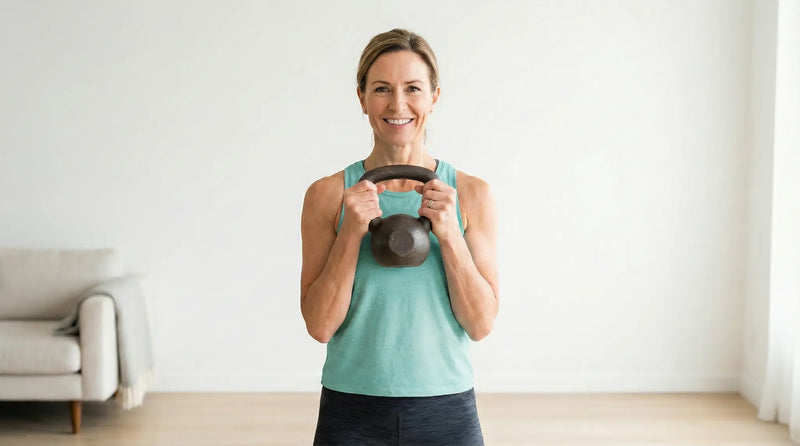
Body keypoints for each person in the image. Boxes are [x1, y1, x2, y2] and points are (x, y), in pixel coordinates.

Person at [300, 28, 499, 446]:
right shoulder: (328, 195)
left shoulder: (472, 194)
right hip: (351, 408)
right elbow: (319, 326)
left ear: (434, 97)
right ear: (361, 98)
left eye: (413, 88)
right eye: (381, 89)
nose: (398, 105)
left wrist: (450, 234)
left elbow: (480, 324)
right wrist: (350, 232)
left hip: (445, 408)